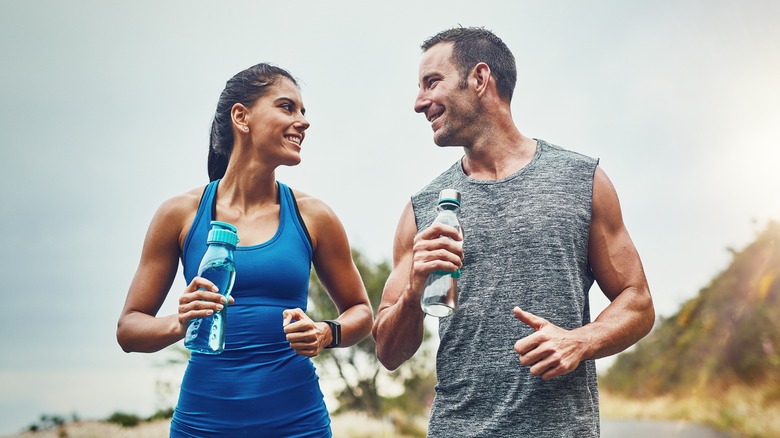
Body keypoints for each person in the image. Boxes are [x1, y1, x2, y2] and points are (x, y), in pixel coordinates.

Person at [372, 27, 655, 437]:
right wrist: (414, 292)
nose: (419, 103)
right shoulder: (423, 209)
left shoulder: (581, 180)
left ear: (480, 78)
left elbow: (638, 302)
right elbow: (388, 352)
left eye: (431, 83)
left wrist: (580, 341)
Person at [116, 63, 373, 437]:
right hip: (203, 424)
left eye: (303, 111)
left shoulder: (314, 216)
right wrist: (180, 322)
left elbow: (361, 311)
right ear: (242, 116)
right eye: (287, 107)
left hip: (298, 424)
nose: (303, 121)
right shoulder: (179, 215)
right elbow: (129, 329)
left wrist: (325, 332)